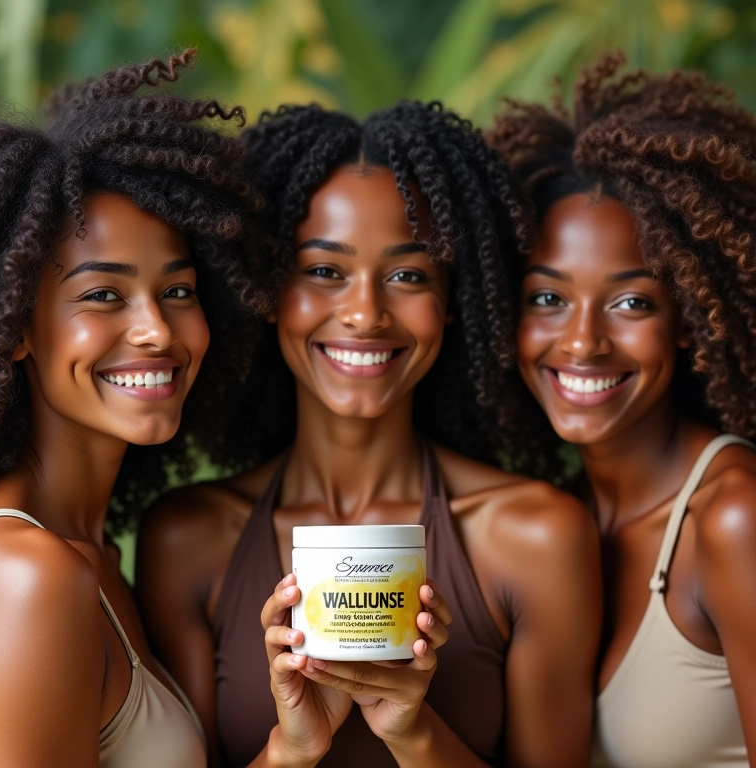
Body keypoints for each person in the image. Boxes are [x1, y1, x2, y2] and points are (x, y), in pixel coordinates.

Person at [136, 101, 601, 768]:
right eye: (324, 271)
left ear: (453, 300)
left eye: (409, 275)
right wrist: (292, 748)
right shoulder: (188, 541)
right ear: (267, 290)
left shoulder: (536, 536)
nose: (364, 312)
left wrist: (413, 731)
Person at [0, 51, 267, 766]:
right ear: (16, 326)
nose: (157, 329)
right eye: (103, 295)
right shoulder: (27, 576)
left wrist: (290, 752)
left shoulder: (96, 553)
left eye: (177, 290)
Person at [489, 53, 756, 767]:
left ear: (694, 315)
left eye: (633, 302)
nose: (581, 341)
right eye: (547, 298)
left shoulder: (734, 519)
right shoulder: (552, 520)